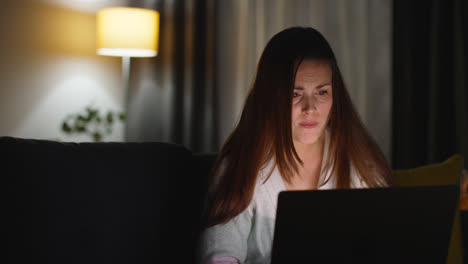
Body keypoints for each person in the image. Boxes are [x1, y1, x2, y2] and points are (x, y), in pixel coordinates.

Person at [196, 27, 393, 264]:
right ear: (271, 97)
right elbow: (218, 256)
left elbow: (385, 245)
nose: (310, 108)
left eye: (321, 92)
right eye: (295, 94)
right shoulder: (242, 167)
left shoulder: (358, 161)